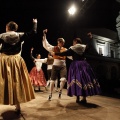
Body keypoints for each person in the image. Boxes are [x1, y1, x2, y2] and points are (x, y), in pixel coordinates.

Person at [0, 18, 37, 114]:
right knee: (17, 81)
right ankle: (18, 106)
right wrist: (35, 23)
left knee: (2, 81)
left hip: (4, 60)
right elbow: (33, 32)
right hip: (16, 60)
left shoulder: (2, 36)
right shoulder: (20, 35)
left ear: (8, 27)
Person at [51, 38, 101, 103]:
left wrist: (56, 53)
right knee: (84, 80)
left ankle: (77, 98)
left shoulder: (73, 48)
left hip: (76, 65)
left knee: (76, 79)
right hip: (84, 64)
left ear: (76, 42)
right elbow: (89, 45)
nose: (73, 43)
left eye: (73, 42)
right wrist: (90, 38)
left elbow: (65, 53)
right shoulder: (84, 47)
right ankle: (84, 98)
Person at [42, 29, 67, 100]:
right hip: (55, 65)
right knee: (52, 80)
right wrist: (44, 35)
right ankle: (50, 94)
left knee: (63, 80)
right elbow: (46, 45)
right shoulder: (54, 48)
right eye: (59, 42)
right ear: (58, 42)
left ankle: (60, 91)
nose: (60, 43)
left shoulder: (65, 50)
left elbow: (71, 56)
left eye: (61, 42)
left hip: (63, 66)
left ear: (63, 43)